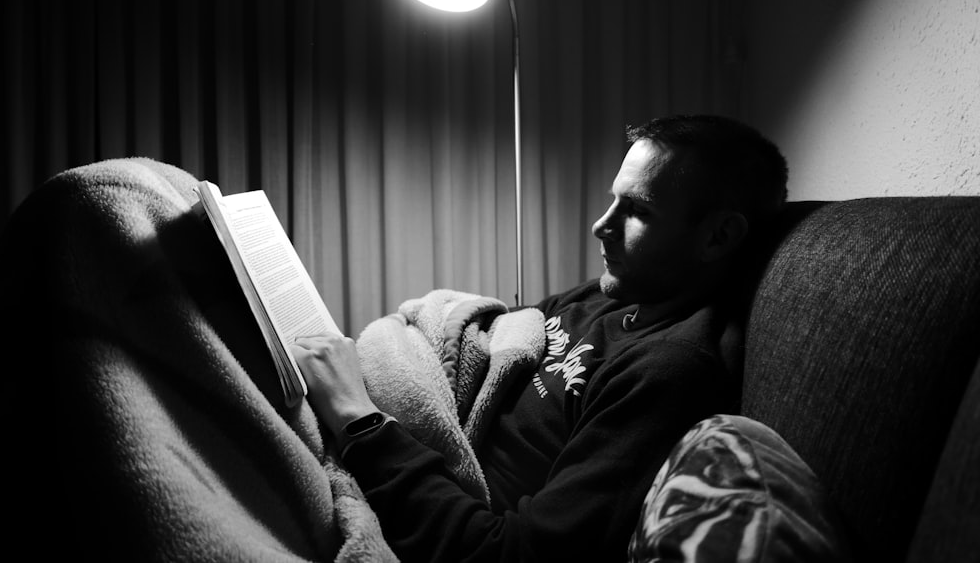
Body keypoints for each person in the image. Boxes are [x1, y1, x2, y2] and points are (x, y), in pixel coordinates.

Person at [291, 114, 789, 562]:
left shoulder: (670, 371)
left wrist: (358, 420)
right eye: (613, 199)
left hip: (381, 483)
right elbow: (492, 338)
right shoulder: (609, 295)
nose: (601, 225)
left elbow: (509, 553)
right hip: (372, 455)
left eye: (638, 210)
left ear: (719, 237)